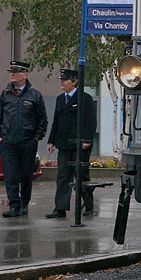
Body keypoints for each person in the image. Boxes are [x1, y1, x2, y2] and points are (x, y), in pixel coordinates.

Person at [0, 60, 48, 217]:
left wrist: (37, 138)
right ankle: (14, 205)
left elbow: (42, 119)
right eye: (10, 71)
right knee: (10, 175)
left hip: (27, 141)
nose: (11, 74)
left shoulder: (34, 94)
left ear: (25, 74)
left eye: (15, 71)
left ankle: (24, 204)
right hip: (8, 142)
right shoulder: (5, 94)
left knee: (26, 175)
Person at [45, 68, 98, 218]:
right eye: (61, 80)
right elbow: (56, 121)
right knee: (62, 177)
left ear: (74, 82)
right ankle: (60, 208)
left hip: (79, 145)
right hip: (63, 144)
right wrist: (51, 141)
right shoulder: (60, 99)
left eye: (65, 80)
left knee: (81, 175)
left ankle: (88, 205)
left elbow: (91, 121)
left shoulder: (84, 98)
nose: (62, 82)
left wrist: (87, 140)